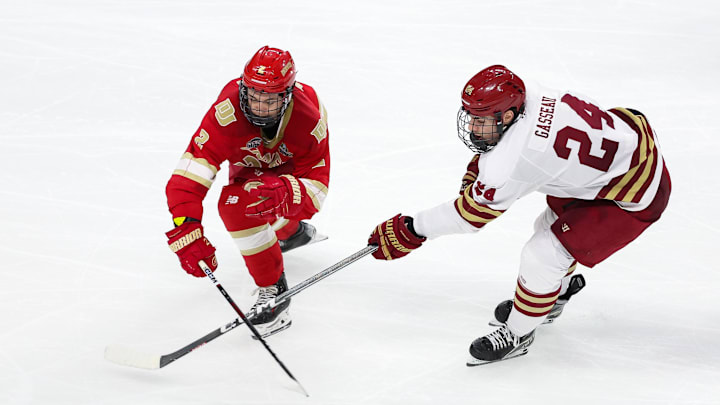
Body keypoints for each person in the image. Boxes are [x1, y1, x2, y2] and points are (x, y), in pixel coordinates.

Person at [368, 65, 671, 365]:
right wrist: (484, 166)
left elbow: (469, 216)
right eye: (472, 117)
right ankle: (554, 295)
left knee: (543, 255)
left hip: (632, 191)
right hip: (622, 147)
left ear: (508, 116)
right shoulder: (530, 92)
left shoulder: (514, 160)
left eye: (481, 120)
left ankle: (518, 334)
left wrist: (414, 228)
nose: (473, 128)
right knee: (549, 227)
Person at [165, 46, 330, 338]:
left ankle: (275, 292)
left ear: (287, 95)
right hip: (250, 167)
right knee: (241, 203)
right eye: (254, 96)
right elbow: (190, 173)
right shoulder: (226, 114)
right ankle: (291, 233)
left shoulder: (309, 120)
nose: (260, 107)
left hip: (289, 175)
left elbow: (317, 189)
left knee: (244, 207)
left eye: (270, 99)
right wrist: (186, 226)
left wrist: (290, 191)